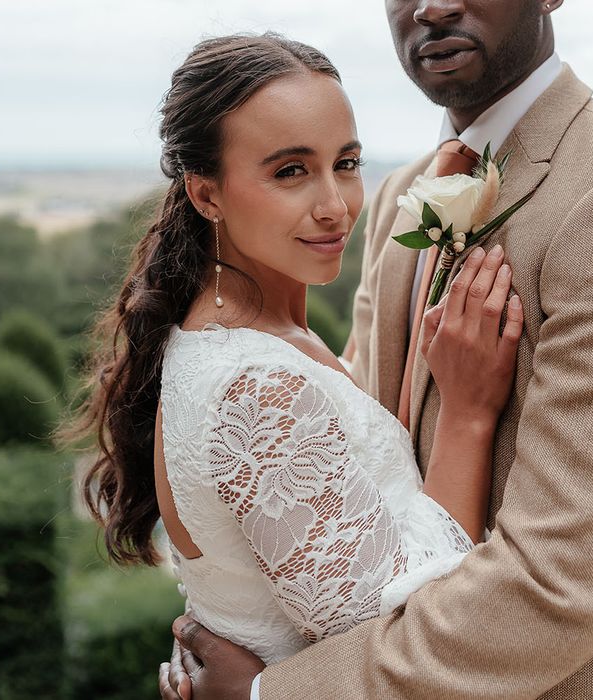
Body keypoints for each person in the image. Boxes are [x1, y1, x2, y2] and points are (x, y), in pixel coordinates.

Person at [159, 1, 593, 699]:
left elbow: (558, 581)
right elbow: (346, 472)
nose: (432, 5)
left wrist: (271, 693)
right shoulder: (405, 194)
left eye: (343, 163)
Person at [69, 30, 526, 700]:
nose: (334, 205)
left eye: (346, 163)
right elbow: (405, 635)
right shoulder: (256, 387)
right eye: (290, 171)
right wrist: (467, 414)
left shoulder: (257, 341)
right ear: (206, 195)